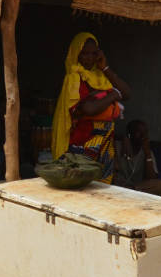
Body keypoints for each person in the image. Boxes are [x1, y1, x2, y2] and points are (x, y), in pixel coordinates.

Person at [51, 32, 132, 184]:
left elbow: (127, 93)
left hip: (105, 146)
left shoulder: (101, 76)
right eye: (84, 53)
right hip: (83, 145)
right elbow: (88, 109)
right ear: (76, 54)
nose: (89, 58)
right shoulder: (74, 78)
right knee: (83, 190)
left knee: (100, 193)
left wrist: (105, 68)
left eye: (93, 53)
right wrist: (113, 96)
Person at [113, 120, 161, 195]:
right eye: (139, 132)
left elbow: (151, 177)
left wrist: (147, 154)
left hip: (136, 188)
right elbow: (108, 136)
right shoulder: (118, 146)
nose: (143, 135)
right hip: (118, 186)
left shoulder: (147, 152)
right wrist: (123, 137)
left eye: (145, 132)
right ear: (129, 134)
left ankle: (129, 192)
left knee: (160, 185)